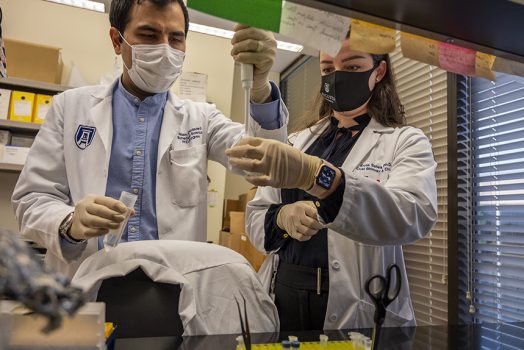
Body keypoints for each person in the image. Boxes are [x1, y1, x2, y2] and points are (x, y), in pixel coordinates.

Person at [12, 0, 288, 278]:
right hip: (86, 280)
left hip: (173, 286)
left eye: (176, 38)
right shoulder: (70, 108)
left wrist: (261, 89)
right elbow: (32, 198)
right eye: (149, 35)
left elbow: (264, 166)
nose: (165, 48)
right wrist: (69, 223)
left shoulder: (202, 119)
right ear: (117, 41)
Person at [226, 35, 438, 331]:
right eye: (327, 69)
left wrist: (319, 177)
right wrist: (283, 218)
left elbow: (413, 215)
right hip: (284, 292)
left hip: (356, 299)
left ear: (378, 72)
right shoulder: (300, 140)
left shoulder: (405, 141)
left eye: (352, 67)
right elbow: (256, 217)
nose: (337, 77)